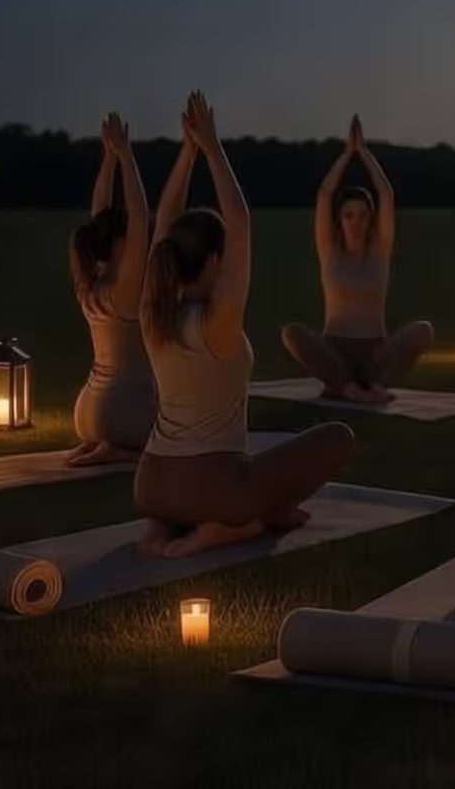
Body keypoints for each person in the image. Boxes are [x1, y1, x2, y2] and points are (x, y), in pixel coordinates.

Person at [134, 92, 355, 559]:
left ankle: (161, 530)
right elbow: (239, 220)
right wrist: (211, 146)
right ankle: (230, 528)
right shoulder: (217, 323)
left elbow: (163, 226)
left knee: (255, 472)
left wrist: (186, 151)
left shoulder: (152, 312)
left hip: (151, 484)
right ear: (215, 259)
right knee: (337, 437)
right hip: (213, 490)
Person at [279, 115, 434, 404]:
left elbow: (386, 194)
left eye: (363, 215)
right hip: (335, 349)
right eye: (349, 215)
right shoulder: (330, 250)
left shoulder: (380, 250)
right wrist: (346, 154)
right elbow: (325, 195)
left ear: (371, 220)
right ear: (339, 220)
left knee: (423, 330)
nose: (356, 222)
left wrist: (364, 152)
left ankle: (370, 385)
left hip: (376, 351)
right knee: (292, 333)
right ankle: (346, 386)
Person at [66, 113, 157, 466]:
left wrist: (109, 158)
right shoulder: (125, 288)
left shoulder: (90, 285)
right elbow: (139, 212)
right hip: (122, 414)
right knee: (191, 430)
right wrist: (126, 154)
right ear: (121, 244)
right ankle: (120, 449)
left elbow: (98, 215)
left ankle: (99, 443)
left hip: (87, 410)